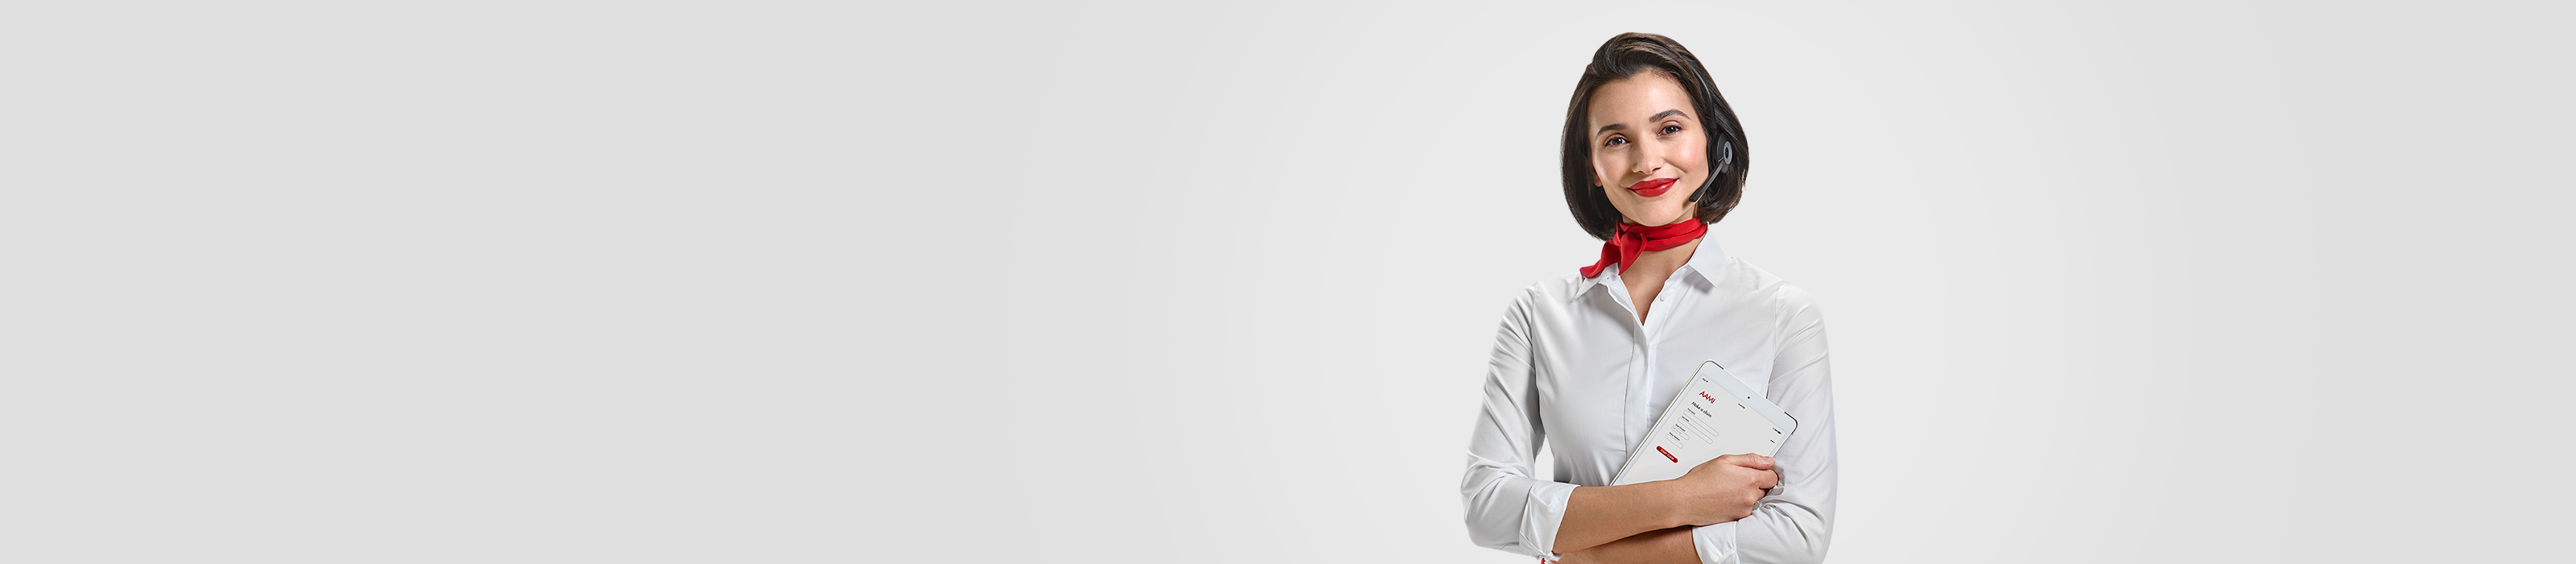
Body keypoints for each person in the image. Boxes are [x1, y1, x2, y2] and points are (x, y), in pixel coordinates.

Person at [1462, 32, 1838, 564]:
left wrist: (1590, 556)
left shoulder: (1782, 315)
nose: (1647, 159)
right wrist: (1681, 499)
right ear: (1592, 166)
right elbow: (1486, 507)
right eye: (1616, 140)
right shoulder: (1538, 314)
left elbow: (1797, 538)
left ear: (1712, 139)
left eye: (1669, 129)